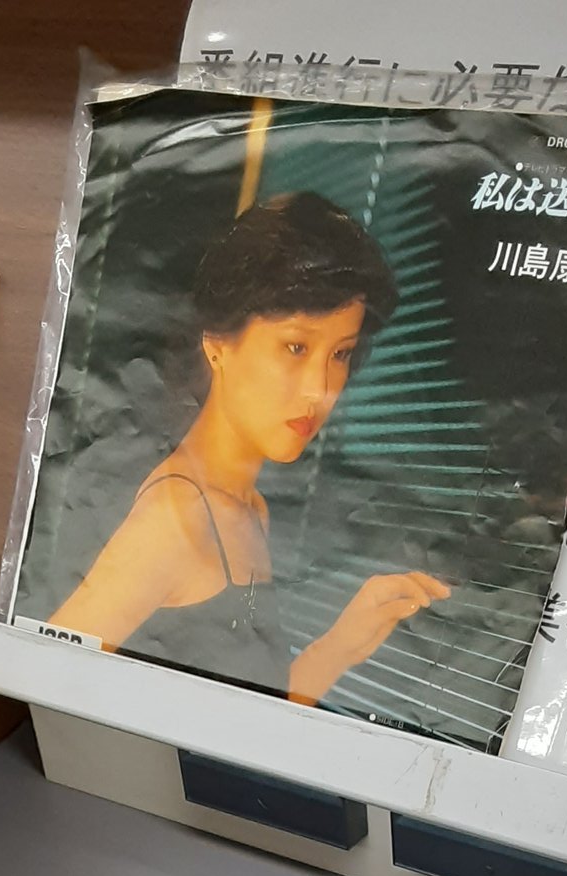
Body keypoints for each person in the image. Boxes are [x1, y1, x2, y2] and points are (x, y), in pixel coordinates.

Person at [48, 191, 449, 704]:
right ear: (218, 344)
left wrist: (339, 648)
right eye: (296, 347)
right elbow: (44, 674)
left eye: (340, 354)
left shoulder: (247, 508)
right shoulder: (175, 520)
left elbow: (245, 715)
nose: (319, 389)